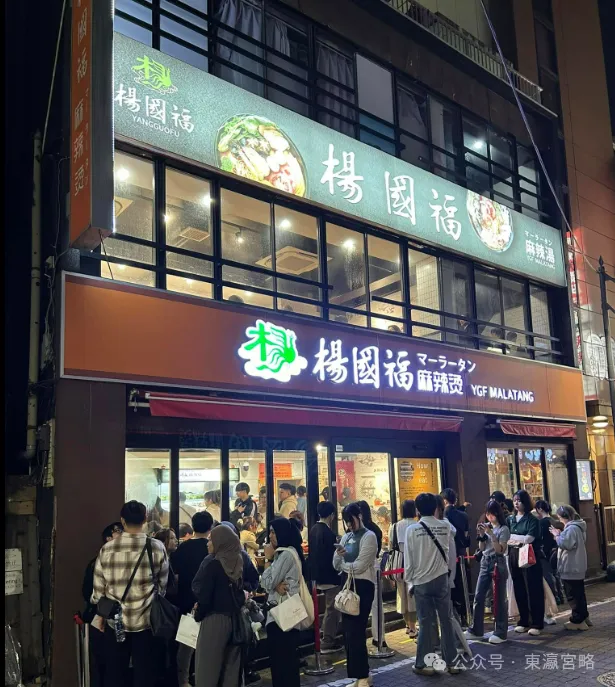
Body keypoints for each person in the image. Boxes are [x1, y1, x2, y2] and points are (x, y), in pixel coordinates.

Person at [91, 501, 169, 687]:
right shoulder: (156, 547)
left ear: (122, 520)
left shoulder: (107, 549)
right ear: (145, 519)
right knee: (145, 674)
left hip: (116, 622)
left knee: (115, 674)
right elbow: (162, 586)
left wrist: (101, 615)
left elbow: (98, 592)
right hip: (147, 622)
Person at [405, 493, 459, 676]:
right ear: (436, 507)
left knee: (426, 623)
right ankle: (452, 662)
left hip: (421, 581)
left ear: (418, 510)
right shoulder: (445, 526)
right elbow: (452, 541)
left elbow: (409, 561)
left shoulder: (412, 530)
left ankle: (424, 664)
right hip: (441, 579)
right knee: (446, 620)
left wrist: (410, 582)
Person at [192, 524, 245, 687]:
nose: (208, 544)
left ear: (220, 542)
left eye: (211, 540)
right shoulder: (238, 561)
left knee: (207, 671)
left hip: (214, 621)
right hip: (235, 620)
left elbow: (205, 598)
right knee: (230, 672)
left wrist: (198, 614)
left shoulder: (213, 565)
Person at [333, 503, 378, 687]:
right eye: (346, 522)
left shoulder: (369, 536)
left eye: (351, 520)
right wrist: (339, 556)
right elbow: (335, 563)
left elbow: (360, 566)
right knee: (349, 633)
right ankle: (359, 676)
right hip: (347, 585)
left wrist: (343, 564)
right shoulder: (346, 537)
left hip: (363, 587)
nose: (349, 525)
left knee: (356, 632)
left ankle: (363, 676)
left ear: (359, 516)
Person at [172, 511, 214, 687]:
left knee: (186, 645)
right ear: (211, 527)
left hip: (186, 601)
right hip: (209, 602)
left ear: (193, 526)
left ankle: (183, 681)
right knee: (209, 644)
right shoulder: (212, 548)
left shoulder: (183, 548)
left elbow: (174, 574)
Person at [261, 518, 305, 687]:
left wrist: (268, 559)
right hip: (283, 615)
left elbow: (266, 583)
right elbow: (272, 583)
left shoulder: (285, 554)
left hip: (282, 616)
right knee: (285, 663)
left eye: (273, 532)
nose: (270, 536)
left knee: (282, 664)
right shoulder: (286, 553)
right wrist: (275, 584)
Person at [82, 522, 123, 687]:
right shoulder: (96, 563)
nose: (123, 535)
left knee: (116, 665)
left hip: (115, 620)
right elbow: (87, 592)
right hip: (102, 620)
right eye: (118, 532)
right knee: (103, 664)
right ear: (108, 539)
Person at [465, 500, 510, 644]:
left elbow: (500, 550)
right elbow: (482, 548)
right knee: (479, 596)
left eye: (492, 514)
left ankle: (501, 632)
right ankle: (476, 630)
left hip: (498, 562)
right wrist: (481, 535)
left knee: (499, 599)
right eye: (488, 514)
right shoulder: (487, 527)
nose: (489, 517)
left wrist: (491, 534)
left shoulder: (503, 529)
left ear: (497, 514)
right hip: (485, 562)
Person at [507, 489, 544, 636]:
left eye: (519, 500)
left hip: (529, 555)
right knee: (519, 587)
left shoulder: (532, 519)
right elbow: (506, 537)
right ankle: (524, 620)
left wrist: (513, 537)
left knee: (533, 588)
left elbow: (529, 539)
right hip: (513, 555)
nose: (516, 503)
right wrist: (517, 538)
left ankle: (537, 622)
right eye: (515, 500)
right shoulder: (510, 519)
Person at [309, 501, 342, 654]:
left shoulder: (313, 529)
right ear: (331, 515)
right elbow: (332, 557)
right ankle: (327, 641)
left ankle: (323, 636)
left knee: (327, 609)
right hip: (330, 576)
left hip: (317, 575)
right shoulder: (328, 534)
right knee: (332, 609)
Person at [551, 505, 590, 630]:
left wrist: (557, 535)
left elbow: (565, 544)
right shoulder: (579, 526)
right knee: (579, 593)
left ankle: (578, 620)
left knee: (572, 594)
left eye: (559, 517)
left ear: (562, 517)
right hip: (578, 565)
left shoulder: (571, 528)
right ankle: (584, 617)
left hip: (570, 565)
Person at [357, 500, 384, 649]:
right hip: (374, 566)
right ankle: (379, 637)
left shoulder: (360, 532)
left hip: (364, 570)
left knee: (362, 606)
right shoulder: (375, 529)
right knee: (376, 605)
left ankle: (364, 639)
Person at [441, 489, 470, 626]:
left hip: (449, 554)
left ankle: (454, 617)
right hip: (462, 553)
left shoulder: (442, 516)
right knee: (463, 585)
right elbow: (466, 536)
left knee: (451, 587)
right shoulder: (463, 515)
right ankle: (465, 615)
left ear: (444, 500)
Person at [388, 500, 417, 638]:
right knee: (412, 596)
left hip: (399, 564)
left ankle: (407, 625)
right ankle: (413, 627)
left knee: (402, 595)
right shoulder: (417, 525)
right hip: (414, 563)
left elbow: (390, 547)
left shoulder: (395, 526)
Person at [535, 499, 565, 606]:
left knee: (548, 575)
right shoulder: (554, 520)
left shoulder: (541, 523)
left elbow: (540, 538)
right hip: (555, 550)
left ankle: (555, 597)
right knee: (556, 574)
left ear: (540, 509)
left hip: (545, 552)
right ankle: (561, 595)